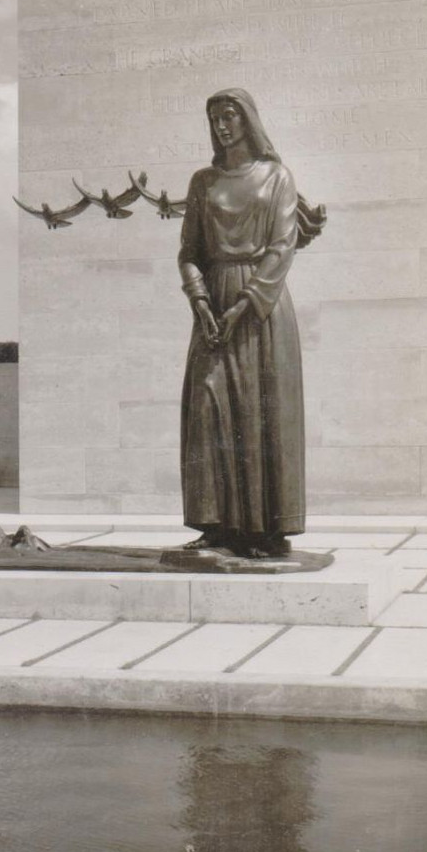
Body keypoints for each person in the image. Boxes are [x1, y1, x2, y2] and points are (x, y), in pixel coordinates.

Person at [178, 88, 305, 559]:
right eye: (214, 118)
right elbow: (189, 251)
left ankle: (262, 531)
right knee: (208, 411)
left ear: (247, 120)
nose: (221, 126)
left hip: (260, 310)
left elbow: (281, 247)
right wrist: (201, 301)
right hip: (212, 306)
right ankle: (216, 526)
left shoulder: (276, 178)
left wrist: (243, 305)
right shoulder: (202, 182)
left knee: (257, 413)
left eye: (229, 116)